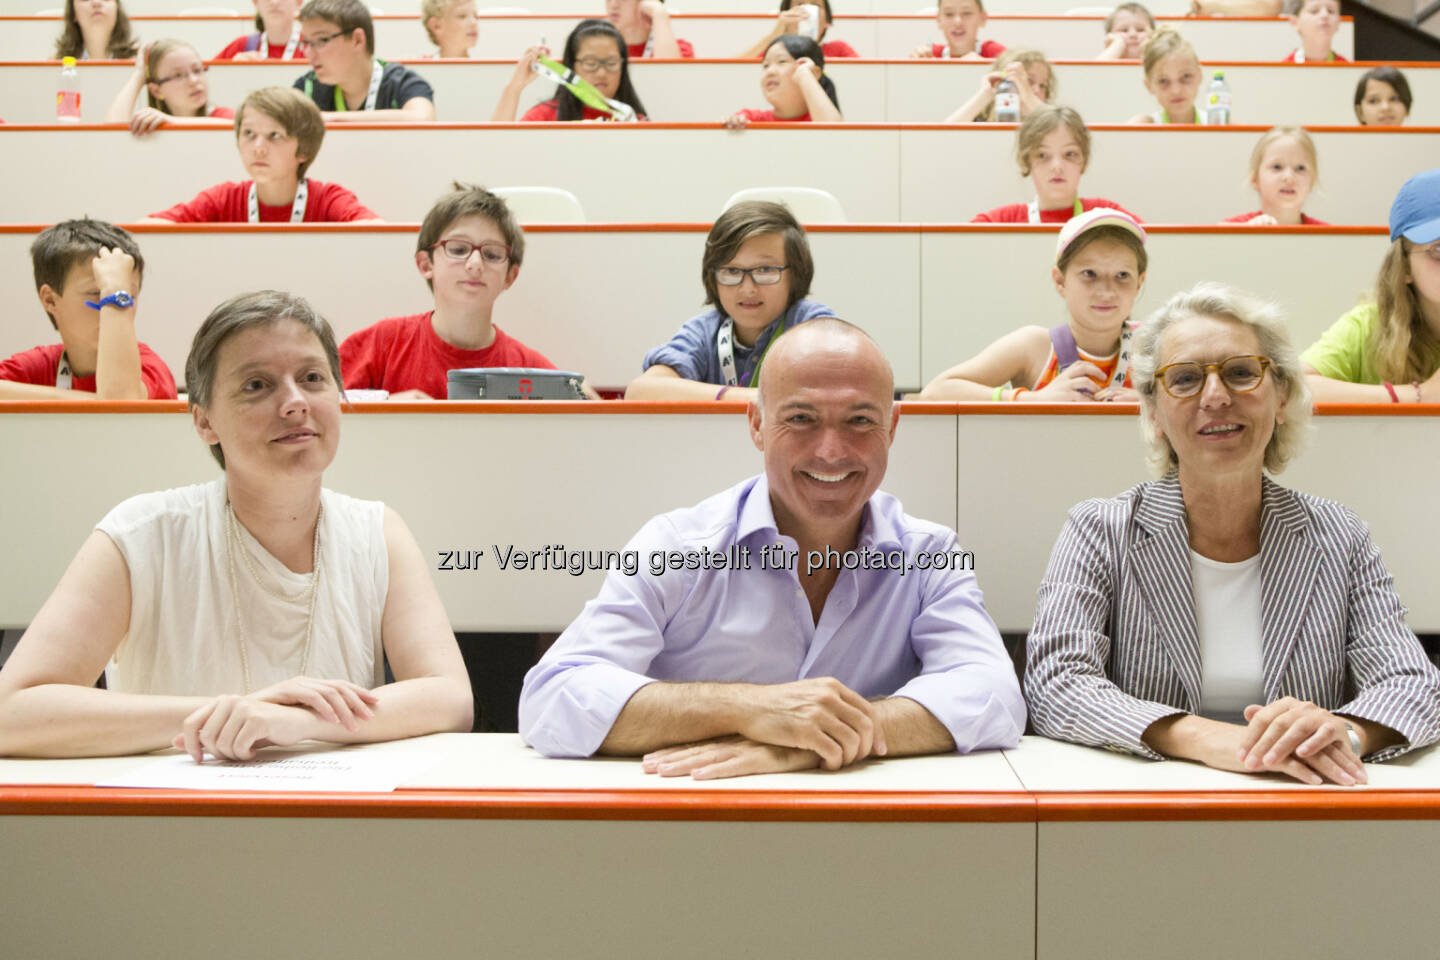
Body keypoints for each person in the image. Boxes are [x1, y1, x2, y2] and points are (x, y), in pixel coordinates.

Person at [522, 318, 1025, 777]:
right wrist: (748, 708)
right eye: (802, 419)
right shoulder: (676, 545)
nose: (831, 450)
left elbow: (994, 693)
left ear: (892, 428)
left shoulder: (930, 553)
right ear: (757, 425)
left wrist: (817, 737)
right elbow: (552, 698)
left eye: (859, 421)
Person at [0, 290, 474, 760]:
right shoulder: (141, 533)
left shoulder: (378, 532)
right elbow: (11, 712)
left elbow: (450, 698)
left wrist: (297, 720)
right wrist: (230, 716)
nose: (294, 403)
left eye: (312, 378)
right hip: (169, 822)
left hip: (328, 823)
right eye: (256, 385)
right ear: (205, 422)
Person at [1025, 281, 1440, 783]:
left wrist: (1344, 733)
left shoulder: (1339, 536)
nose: (1216, 397)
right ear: (1153, 412)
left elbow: (1412, 682)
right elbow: (1056, 684)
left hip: (1306, 807)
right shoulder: (1100, 530)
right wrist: (1210, 739)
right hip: (1147, 810)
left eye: (1242, 373)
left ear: (1282, 396)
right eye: (1184, 379)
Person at [340, 184, 561, 400]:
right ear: (426, 264)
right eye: (458, 249)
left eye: (492, 255)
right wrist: (387, 407)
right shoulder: (380, 345)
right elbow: (318, 407)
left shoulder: (531, 372)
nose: (475, 264)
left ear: (510, 277)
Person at [921, 208, 1146, 401]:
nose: (1106, 290)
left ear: (1139, 282)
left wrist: (1154, 403)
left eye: (1122, 275)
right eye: (1089, 274)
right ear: (1060, 280)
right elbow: (934, 392)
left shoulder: (1154, 350)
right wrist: (1031, 398)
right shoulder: (1035, 347)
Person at [626, 201, 835, 402]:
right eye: (732, 271)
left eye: (765, 270)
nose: (747, 289)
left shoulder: (812, 324)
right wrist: (742, 398)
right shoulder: (704, 331)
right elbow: (640, 391)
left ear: (796, 273)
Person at [142, 87, 381, 224]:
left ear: (304, 150)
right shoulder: (224, 198)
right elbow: (151, 226)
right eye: (248, 133)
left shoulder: (328, 199)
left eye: (275, 136)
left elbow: (374, 230)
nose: (258, 147)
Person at [1301, 169, 1440, 403]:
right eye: (1438, 250)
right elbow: (1292, 387)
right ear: (1405, 267)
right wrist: (1417, 396)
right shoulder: (1368, 327)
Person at [2, 219, 175, 401]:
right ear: (50, 299)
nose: (110, 311)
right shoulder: (40, 364)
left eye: (126, 296)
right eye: (96, 292)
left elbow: (120, 405)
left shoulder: (151, 368)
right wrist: (77, 401)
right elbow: (110, 405)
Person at [972, 106, 1139, 224]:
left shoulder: (1106, 216)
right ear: (1026, 162)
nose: (1057, 167)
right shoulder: (1001, 222)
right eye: (1043, 155)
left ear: (1084, 160)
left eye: (1070, 154)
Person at [293, 0, 437, 122]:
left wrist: (330, 119)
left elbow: (423, 118)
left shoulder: (402, 83)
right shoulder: (307, 87)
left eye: (321, 40)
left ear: (358, 39)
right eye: (306, 42)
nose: (309, 53)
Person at [493, 21, 649, 122]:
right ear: (572, 66)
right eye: (590, 63)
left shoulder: (634, 121)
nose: (601, 72)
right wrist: (514, 87)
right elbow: (496, 147)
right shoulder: (545, 116)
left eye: (611, 63)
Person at [103, 40, 235, 138]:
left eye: (197, 70)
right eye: (178, 76)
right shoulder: (150, 125)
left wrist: (172, 122)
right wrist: (139, 76)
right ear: (156, 91)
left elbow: (237, 128)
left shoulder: (220, 115)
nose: (194, 81)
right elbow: (112, 135)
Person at [1221, 126, 1326, 226]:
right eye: (1277, 167)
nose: (1289, 178)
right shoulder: (1237, 226)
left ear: (1312, 181)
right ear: (1255, 179)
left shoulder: (1326, 235)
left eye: (1300, 168)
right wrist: (1247, 231)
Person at [725, 35, 842, 125]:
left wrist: (805, 75)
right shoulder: (749, 119)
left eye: (782, 61)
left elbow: (834, 135)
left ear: (814, 73)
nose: (770, 71)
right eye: (765, 66)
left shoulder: (820, 118)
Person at [944, 48, 1054, 124]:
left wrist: (1028, 96)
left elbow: (1056, 125)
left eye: (1043, 85)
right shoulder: (983, 120)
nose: (1037, 90)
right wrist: (985, 94)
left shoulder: (1048, 125)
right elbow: (945, 136)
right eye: (1029, 81)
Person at [1128, 28, 1203, 125]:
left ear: (1199, 75)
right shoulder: (1144, 125)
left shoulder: (1218, 124)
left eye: (1186, 76)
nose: (1176, 90)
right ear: (1148, 86)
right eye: (1163, 81)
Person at [739, 0, 857, 60]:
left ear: (828, 21)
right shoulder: (774, 54)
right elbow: (734, 70)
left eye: (816, 5)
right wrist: (776, 34)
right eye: (799, 4)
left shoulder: (839, 50)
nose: (806, 11)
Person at [216, 0, 308, 60]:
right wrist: (232, 71)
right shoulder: (241, 46)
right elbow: (208, 77)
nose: (274, 2)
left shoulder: (313, 48)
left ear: (298, 2)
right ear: (255, 2)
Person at [911, 0, 1003, 59]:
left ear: (982, 18)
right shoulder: (931, 54)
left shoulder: (996, 54)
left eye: (967, 13)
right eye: (949, 14)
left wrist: (984, 67)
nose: (958, 22)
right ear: (939, 20)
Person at [605, 0, 694, 59]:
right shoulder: (596, 47)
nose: (613, 5)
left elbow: (671, 76)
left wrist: (659, 14)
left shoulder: (679, 50)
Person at [52, 0, 138, 61]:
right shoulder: (56, 63)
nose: (96, 2)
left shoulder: (138, 63)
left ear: (117, 10)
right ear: (73, 13)